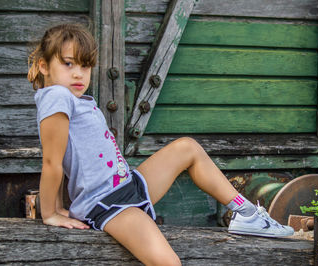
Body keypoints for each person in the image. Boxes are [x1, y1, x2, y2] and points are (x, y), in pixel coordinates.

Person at [28, 23, 294, 265]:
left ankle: (245, 212)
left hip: (126, 186)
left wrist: (62, 207)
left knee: (187, 148)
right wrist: (50, 212)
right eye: (68, 64)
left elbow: (68, 157)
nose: (79, 74)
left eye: (84, 66)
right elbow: (52, 161)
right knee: (169, 263)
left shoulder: (74, 99)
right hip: (107, 204)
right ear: (43, 66)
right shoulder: (57, 96)